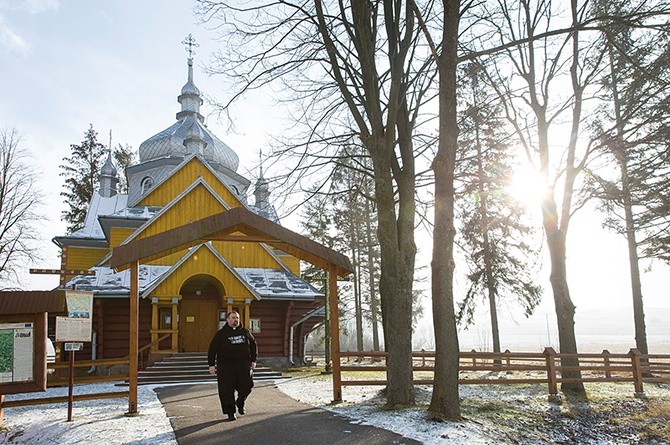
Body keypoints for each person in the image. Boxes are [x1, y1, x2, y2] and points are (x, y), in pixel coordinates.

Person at [208, 311, 258, 421]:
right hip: (226, 366)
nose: (235, 320)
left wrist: (253, 360)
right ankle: (230, 412)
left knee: (247, 386)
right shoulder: (221, 334)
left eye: (237, 318)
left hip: (243, 364)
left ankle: (240, 402)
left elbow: (253, 345)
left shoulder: (245, 332)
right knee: (227, 390)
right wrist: (211, 364)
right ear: (228, 319)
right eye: (233, 317)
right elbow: (212, 350)